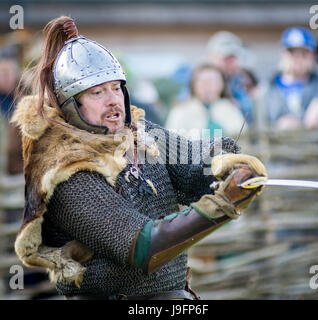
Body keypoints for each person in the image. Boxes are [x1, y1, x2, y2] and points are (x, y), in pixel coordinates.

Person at [12, 16, 267, 300]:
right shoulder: (66, 173)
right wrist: (222, 205)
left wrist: (222, 162)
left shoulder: (139, 135)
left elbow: (194, 160)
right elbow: (143, 248)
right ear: (71, 105)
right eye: (97, 92)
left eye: (115, 88)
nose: (112, 100)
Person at [265, 27, 318, 130]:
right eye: (292, 52)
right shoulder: (270, 87)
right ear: (283, 53)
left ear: (313, 56)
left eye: (304, 53)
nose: (298, 58)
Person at [166, 64, 245, 140]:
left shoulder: (231, 109)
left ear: (222, 84)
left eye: (213, 81)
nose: (208, 85)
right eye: (203, 81)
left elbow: (243, 139)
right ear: (193, 85)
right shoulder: (180, 112)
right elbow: (171, 143)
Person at [206, 31, 255, 124]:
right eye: (225, 58)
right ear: (211, 56)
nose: (230, 63)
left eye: (233, 58)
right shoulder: (199, 79)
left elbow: (249, 112)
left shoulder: (242, 80)